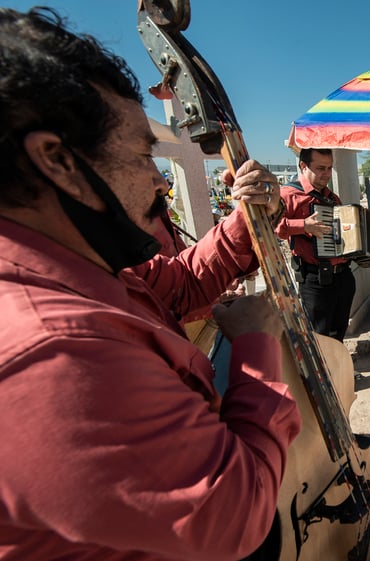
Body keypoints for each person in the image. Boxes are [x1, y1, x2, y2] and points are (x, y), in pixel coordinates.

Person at [0, 7, 302, 560]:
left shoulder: (78, 265)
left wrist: (244, 219)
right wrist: (257, 345)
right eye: (142, 155)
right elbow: (234, 514)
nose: (158, 181)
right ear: (57, 161)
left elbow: (177, 284)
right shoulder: (51, 354)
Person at [276, 148, 355, 341]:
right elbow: (272, 227)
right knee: (320, 336)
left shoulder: (332, 198)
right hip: (315, 280)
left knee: (339, 332)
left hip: (343, 276)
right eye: (321, 168)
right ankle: (324, 372)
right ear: (303, 166)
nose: (326, 174)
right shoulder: (288, 194)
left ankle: (340, 371)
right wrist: (303, 225)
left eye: (329, 168)